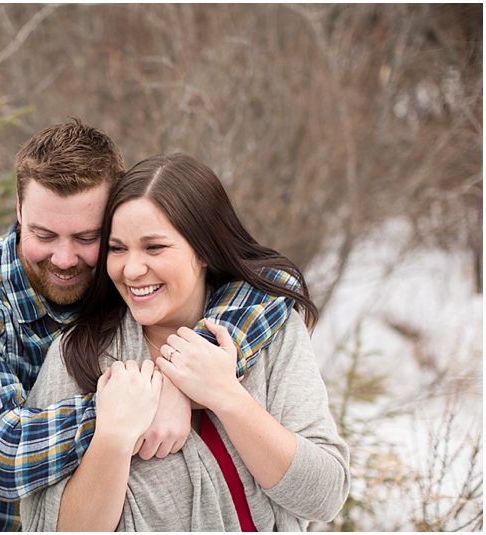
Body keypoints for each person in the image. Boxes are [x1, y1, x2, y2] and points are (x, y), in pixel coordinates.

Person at [0, 121, 297, 531]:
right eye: (43, 234)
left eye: (87, 237)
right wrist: (145, 398)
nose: (64, 258)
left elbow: (273, 284)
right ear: (19, 210)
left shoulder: (128, 275)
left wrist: (185, 377)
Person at [20, 152, 350, 531]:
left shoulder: (272, 336)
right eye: (117, 248)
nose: (131, 269)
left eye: (154, 247)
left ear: (205, 250)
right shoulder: (80, 355)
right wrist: (112, 437)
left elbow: (325, 497)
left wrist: (227, 397)